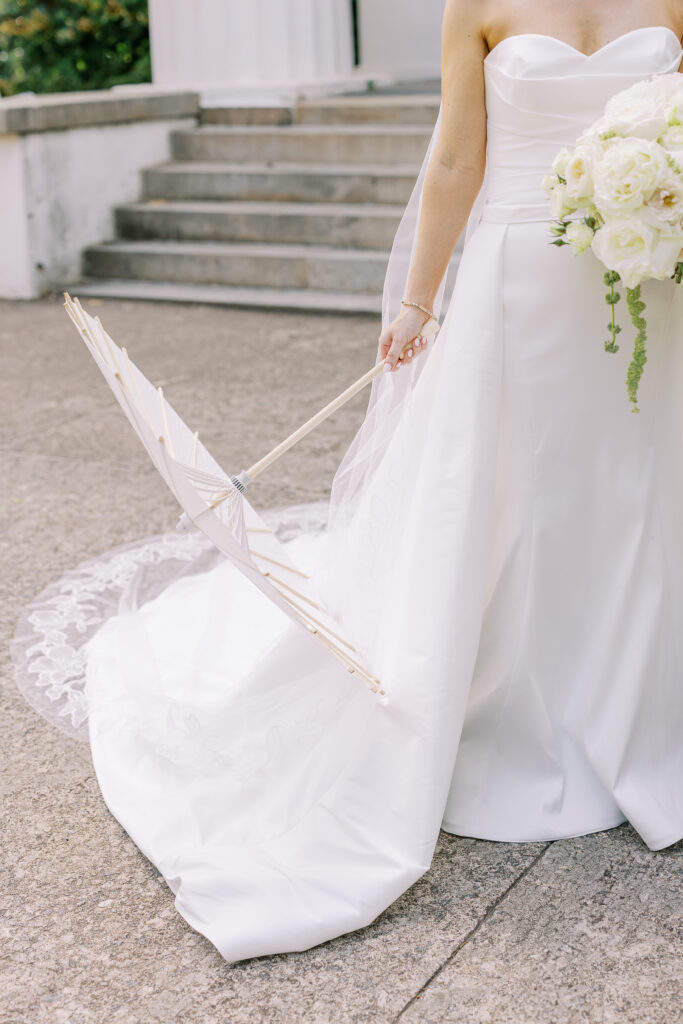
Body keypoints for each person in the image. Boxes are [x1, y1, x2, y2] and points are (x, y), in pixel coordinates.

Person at [11, 1, 683, 963]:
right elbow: (456, 156)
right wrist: (418, 299)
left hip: (647, 284)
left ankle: (635, 706)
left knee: (631, 498)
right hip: (517, 285)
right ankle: (527, 707)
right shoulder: (479, 2)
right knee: (517, 505)